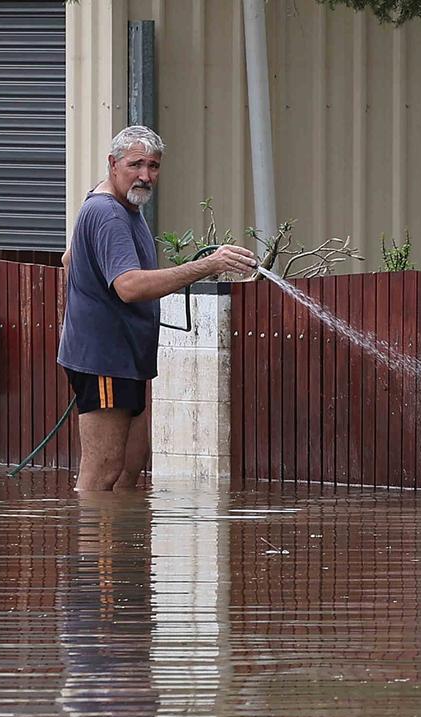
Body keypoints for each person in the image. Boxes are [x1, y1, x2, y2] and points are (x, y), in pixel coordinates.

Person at [58, 126, 259, 492]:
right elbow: (130, 286)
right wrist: (208, 265)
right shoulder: (108, 213)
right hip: (104, 359)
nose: (145, 176)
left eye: (153, 166)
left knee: (130, 465)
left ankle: (120, 548)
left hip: (125, 358)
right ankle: (93, 548)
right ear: (113, 164)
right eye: (135, 164)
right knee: (103, 470)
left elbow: (69, 258)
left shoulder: (122, 206)